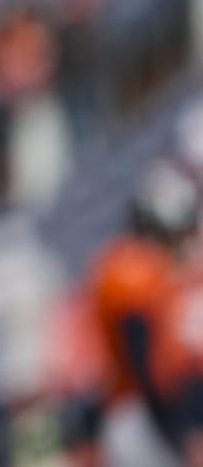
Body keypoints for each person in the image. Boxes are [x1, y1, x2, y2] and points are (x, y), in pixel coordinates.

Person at [87, 158, 199, 467]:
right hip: (139, 417)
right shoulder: (131, 271)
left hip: (162, 414)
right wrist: (180, 436)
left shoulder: (162, 275)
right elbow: (144, 367)